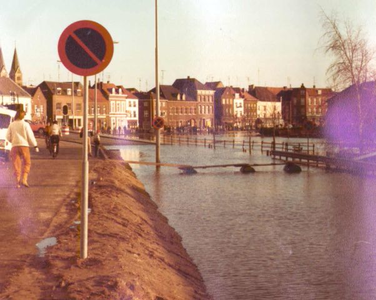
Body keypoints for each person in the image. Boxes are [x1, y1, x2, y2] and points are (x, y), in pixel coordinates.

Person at [6, 109, 39, 188]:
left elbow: (7, 136)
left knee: (16, 164)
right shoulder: (25, 124)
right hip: (24, 146)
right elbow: (30, 136)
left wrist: (13, 140)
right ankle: (24, 179)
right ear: (23, 116)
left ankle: (17, 182)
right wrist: (35, 145)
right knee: (27, 162)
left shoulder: (12, 124)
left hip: (14, 146)